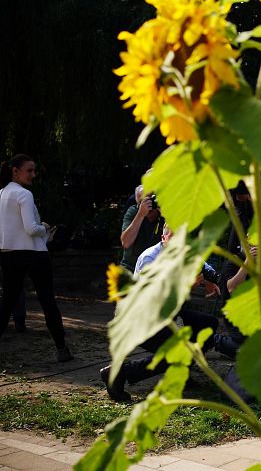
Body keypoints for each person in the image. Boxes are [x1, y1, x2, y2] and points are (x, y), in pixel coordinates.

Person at [100, 226, 219, 402]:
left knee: (208, 325)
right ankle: (119, 373)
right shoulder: (151, 258)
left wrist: (210, 279)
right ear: (163, 238)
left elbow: (209, 271)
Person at [0, 154, 73, 362]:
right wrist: (46, 228)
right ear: (15, 170)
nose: (33, 174)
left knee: (7, 303)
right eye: (29, 170)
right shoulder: (24, 194)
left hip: (8, 253)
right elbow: (31, 228)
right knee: (47, 300)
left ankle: (62, 349)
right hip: (33, 253)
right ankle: (62, 349)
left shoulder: (2, 194)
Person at [120, 184, 164, 272]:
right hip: (131, 268)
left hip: (157, 269)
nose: (146, 204)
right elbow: (126, 242)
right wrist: (140, 214)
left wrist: (165, 213)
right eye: (142, 201)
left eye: (149, 199)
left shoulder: (163, 215)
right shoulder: (133, 212)